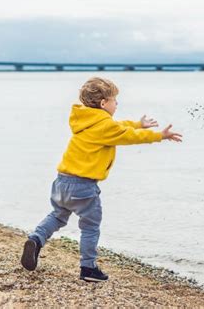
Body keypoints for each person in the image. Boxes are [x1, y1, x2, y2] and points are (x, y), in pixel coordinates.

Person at [21, 77, 182, 282]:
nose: (117, 104)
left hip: (62, 181)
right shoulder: (105, 126)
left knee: (58, 215)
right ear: (103, 103)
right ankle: (88, 268)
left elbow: (118, 126)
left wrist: (138, 124)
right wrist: (159, 136)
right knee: (90, 226)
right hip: (83, 185)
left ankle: (36, 239)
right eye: (114, 100)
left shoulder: (85, 120)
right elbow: (127, 136)